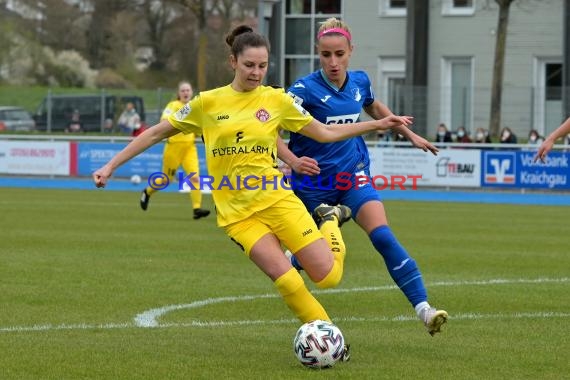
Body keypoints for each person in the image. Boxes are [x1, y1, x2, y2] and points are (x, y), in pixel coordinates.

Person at [93, 25, 416, 344]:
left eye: (262, 66)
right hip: (238, 216)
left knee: (328, 277)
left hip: (278, 201)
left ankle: (330, 218)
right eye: (249, 65)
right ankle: (328, 341)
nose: (256, 73)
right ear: (233, 61)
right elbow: (155, 132)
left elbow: (325, 132)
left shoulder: (275, 100)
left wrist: (376, 123)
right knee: (288, 280)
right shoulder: (208, 103)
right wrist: (110, 165)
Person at [277, 17, 447, 336]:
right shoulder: (302, 90)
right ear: (318, 53)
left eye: (339, 54)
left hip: (353, 176)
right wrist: (291, 159)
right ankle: (296, 257)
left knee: (382, 236)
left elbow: (373, 106)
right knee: (318, 262)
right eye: (326, 55)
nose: (333, 62)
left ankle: (424, 309)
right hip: (312, 186)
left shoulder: (359, 82)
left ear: (351, 51)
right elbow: (270, 129)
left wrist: (410, 135)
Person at [140, 81, 210, 219]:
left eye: (188, 90)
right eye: (183, 90)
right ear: (179, 93)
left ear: (192, 92)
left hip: (189, 148)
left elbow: (198, 128)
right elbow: (163, 122)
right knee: (166, 180)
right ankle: (147, 192)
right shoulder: (173, 106)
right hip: (173, 148)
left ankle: (197, 208)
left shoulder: (195, 107)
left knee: (194, 178)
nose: (185, 93)